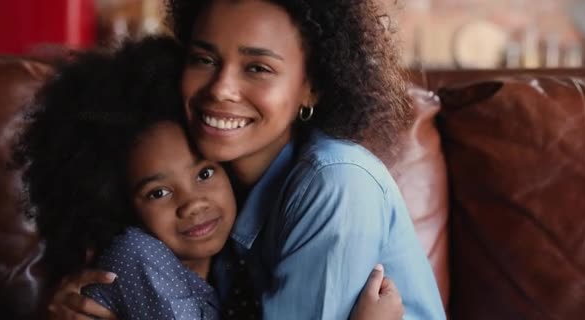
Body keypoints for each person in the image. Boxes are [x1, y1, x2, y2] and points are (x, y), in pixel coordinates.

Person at [51, 0, 447, 319]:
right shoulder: (214, 208)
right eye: (204, 59)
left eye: (257, 68)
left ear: (312, 87)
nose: (221, 88)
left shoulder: (336, 184)